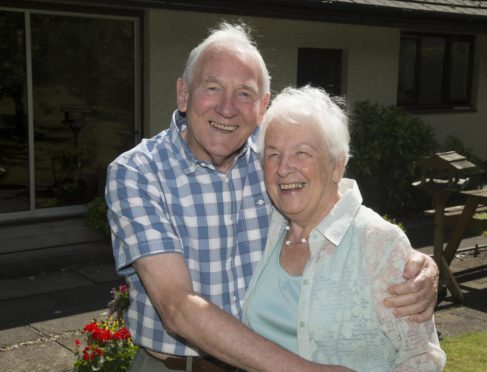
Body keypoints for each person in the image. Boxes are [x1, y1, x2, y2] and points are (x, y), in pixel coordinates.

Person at [106, 21, 440, 371]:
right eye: (213, 87)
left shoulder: (272, 156)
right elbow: (177, 307)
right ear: (183, 93)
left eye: (245, 93)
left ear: (263, 105)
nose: (227, 107)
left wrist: (409, 264)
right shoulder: (139, 172)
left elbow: (333, 200)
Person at [243, 85, 446, 371]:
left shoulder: (378, 242)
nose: (284, 168)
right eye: (273, 155)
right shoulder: (268, 229)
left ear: (337, 166)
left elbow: (422, 359)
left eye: (302, 153)